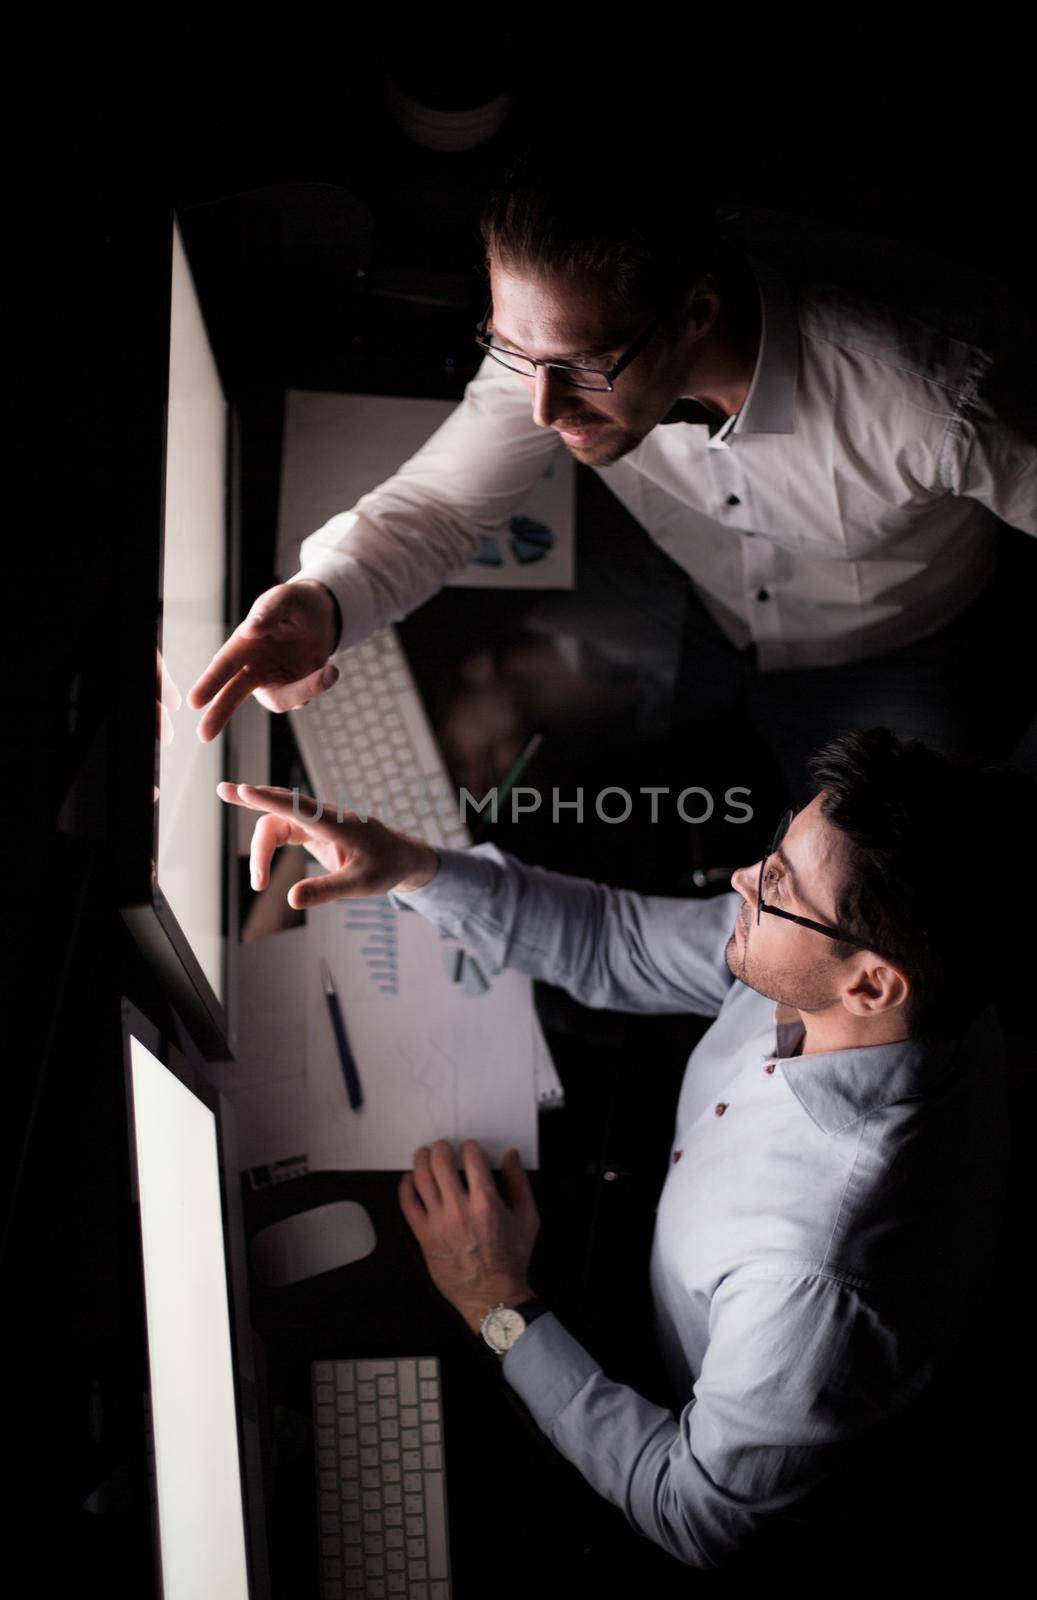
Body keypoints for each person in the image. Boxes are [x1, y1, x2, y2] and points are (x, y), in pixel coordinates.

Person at [217, 727, 1026, 1572]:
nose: (740, 882)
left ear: (869, 984)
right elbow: (617, 941)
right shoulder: (870, 970)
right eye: (771, 849)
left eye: (774, 884)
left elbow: (693, 1514)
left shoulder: (817, 1281)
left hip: (659, 1410)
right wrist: (412, 867)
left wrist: (493, 1301)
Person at [188, 136, 1036, 792]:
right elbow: (446, 506)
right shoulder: (555, 338)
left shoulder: (943, 395)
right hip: (692, 598)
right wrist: (325, 600)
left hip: (898, 650)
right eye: (512, 353)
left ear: (697, 310)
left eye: (582, 369)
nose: (544, 411)